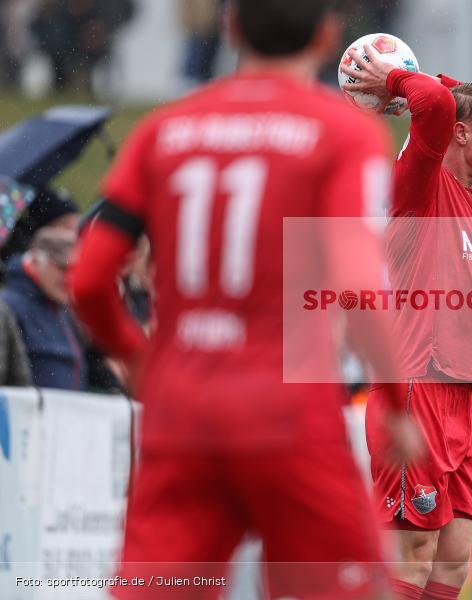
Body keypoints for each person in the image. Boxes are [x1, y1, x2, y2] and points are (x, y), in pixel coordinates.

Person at [68, 1, 421, 598]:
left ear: (230, 28)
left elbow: (88, 276)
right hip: (286, 411)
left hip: (180, 410)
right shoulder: (341, 132)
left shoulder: (164, 129)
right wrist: (398, 400)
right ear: (327, 35)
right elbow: (360, 283)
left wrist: (134, 355)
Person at [341, 43, 472, 599]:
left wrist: (447, 84)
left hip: (461, 394)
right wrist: (399, 79)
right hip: (415, 385)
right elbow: (434, 108)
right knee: (412, 556)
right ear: (461, 136)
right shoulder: (421, 186)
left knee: (453, 561)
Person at [3, 227, 83, 389]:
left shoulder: (66, 311)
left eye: (75, 271)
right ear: (35, 262)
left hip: (68, 412)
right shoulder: (9, 306)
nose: (68, 279)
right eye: (62, 268)